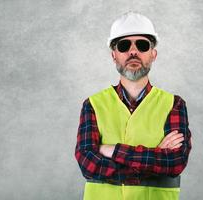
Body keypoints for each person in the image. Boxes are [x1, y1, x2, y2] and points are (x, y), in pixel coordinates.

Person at [75, 11, 192, 200]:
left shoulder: (174, 105)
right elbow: (88, 164)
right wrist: (153, 159)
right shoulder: (93, 105)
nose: (133, 52)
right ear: (114, 55)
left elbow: (175, 162)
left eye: (142, 45)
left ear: (153, 54)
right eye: (124, 45)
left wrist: (111, 150)